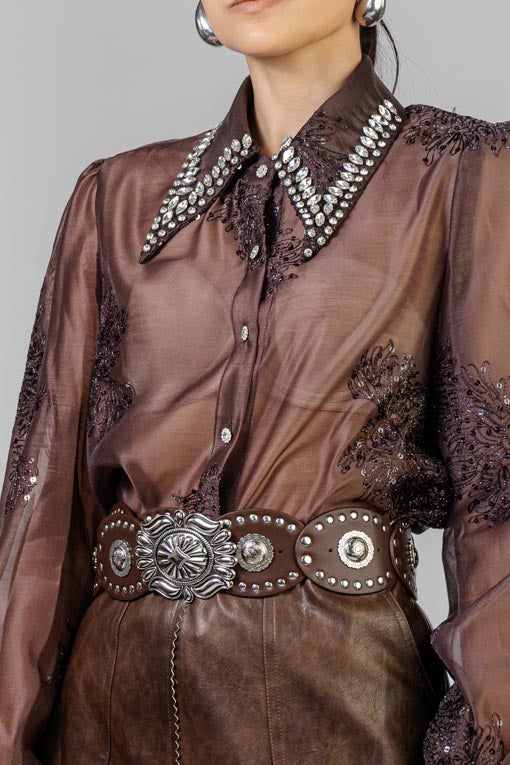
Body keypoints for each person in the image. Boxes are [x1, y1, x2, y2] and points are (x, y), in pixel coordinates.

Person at [1, 0, 509, 762]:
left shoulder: (463, 173)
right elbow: (43, 515)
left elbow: (498, 505)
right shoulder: (114, 198)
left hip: (334, 710)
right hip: (103, 714)